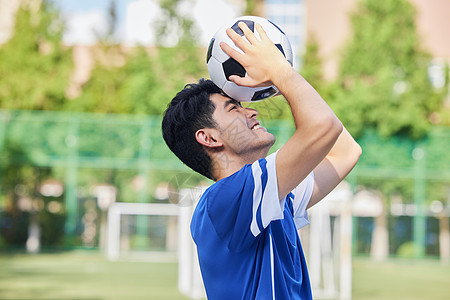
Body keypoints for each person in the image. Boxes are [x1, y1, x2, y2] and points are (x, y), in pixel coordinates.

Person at [162, 22, 361, 300]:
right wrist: (279, 72)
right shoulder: (224, 200)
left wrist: (279, 80)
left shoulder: (276, 197)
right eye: (234, 108)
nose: (252, 112)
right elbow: (323, 127)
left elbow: (345, 151)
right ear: (208, 138)